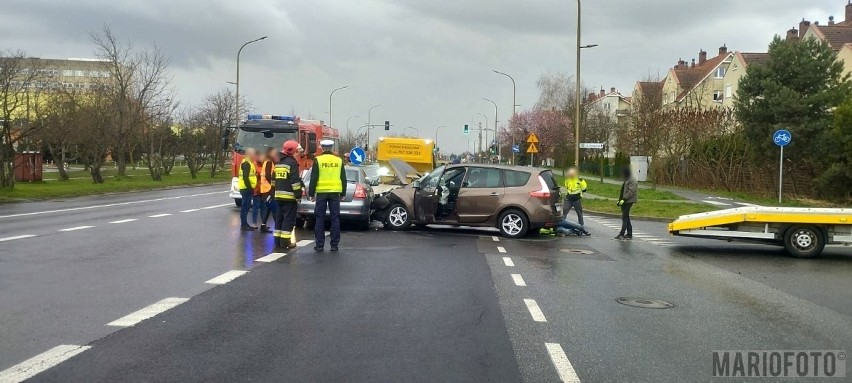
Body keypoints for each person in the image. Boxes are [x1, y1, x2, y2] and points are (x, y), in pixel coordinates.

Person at [309, 139, 347, 252]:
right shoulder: (339, 161)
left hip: (321, 193)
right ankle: (334, 245)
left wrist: (311, 193)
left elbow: (313, 178)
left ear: (321, 147)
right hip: (335, 193)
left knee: (319, 218)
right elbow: (343, 178)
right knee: (335, 218)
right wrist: (343, 193)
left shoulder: (318, 160)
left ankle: (319, 245)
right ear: (331, 148)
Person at [273, 140, 303, 249]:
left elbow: (273, 179)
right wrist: (298, 195)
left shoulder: (278, 162)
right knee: (288, 220)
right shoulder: (292, 163)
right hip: (289, 197)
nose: (297, 153)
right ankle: (285, 242)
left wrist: (275, 192)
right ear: (292, 151)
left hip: (278, 196)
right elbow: (295, 182)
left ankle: (277, 241)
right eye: (296, 151)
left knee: (279, 219)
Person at [257, 147, 277, 233]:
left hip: (265, 188)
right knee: (271, 207)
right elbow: (268, 175)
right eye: (274, 152)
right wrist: (274, 185)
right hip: (268, 188)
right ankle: (277, 226)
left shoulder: (267, 161)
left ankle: (264, 225)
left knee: (267, 207)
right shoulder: (269, 161)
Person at [238, 148, 259, 231]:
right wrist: (249, 187)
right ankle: (243, 224)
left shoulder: (248, 162)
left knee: (246, 206)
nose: (254, 155)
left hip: (246, 187)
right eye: (253, 153)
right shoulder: (246, 163)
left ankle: (245, 223)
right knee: (245, 207)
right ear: (249, 154)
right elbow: (245, 177)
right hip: (246, 188)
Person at [615, 167, 638, 240]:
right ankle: (629, 234)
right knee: (626, 217)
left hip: (629, 201)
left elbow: (631, 191)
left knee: (624, 217)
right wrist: (620, 200)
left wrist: (624, 199)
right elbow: (623, 190)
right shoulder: (627, 178)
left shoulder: (632, 179)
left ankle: (622, 234)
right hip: (624, 200)